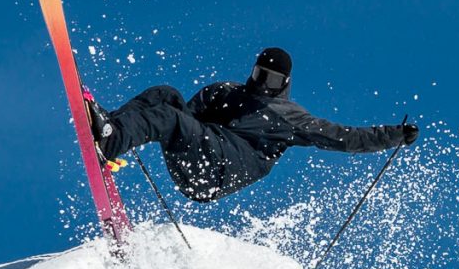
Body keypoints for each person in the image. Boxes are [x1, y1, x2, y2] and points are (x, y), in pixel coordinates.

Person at [86, 48, 416, 204]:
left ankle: (112, 139)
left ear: (284, 83)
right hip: (200, 154)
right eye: (260, 75)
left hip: (219, 172)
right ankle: (111, 129)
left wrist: (394, 136)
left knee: (167, 116)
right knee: (165, 95)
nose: (262, 84)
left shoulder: (290, 117)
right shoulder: (225, 92)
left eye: (270, 80)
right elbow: (184, 122)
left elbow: (345, 138)